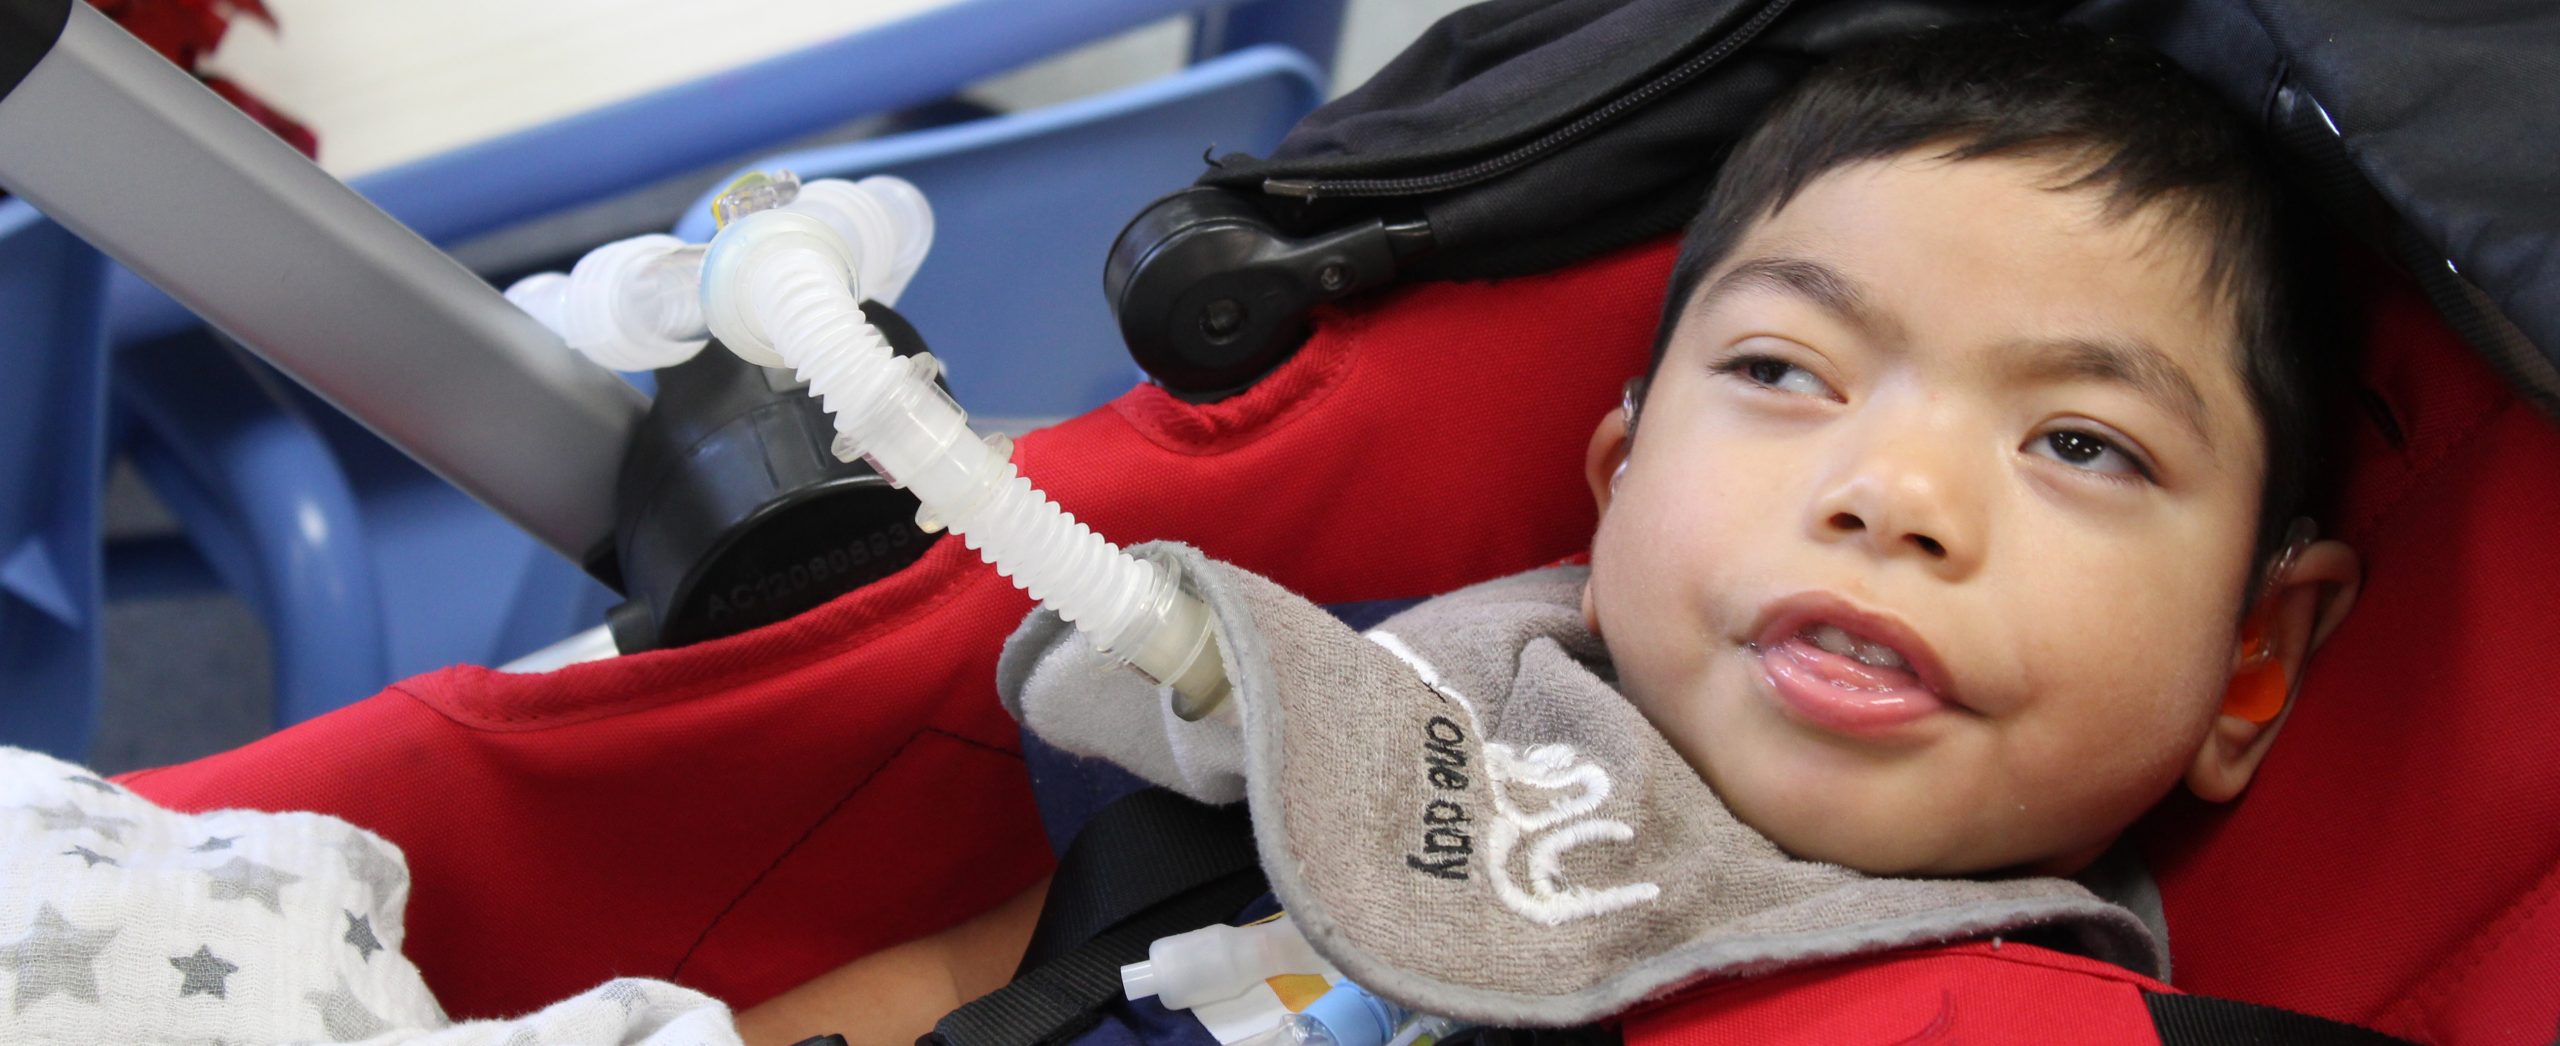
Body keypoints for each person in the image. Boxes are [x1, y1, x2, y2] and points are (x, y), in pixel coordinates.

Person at [748, 18, 2371, 1045]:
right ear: (1615, 487)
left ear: (2250, 659)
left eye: (2081, 441)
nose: (1894, 497)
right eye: (1781, 369)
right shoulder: (1392, 716)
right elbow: (982, 983)